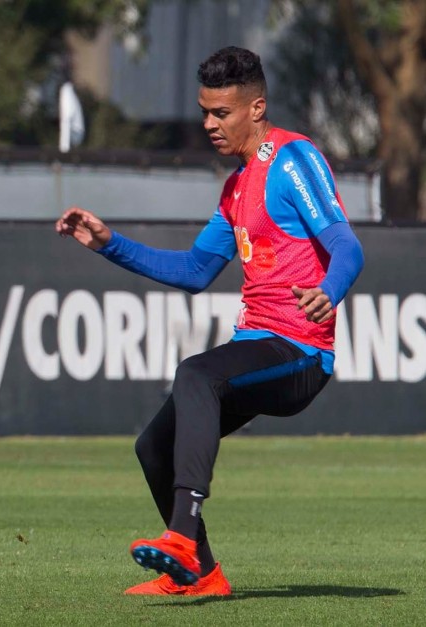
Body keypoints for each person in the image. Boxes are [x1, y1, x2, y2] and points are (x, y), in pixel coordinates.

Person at [56, 46, 364, 596]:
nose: (208, 124)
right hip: (259, 343)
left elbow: (346, 245)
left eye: (220, 113)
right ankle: (201, 572)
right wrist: (109, 244)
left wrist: (328, 291)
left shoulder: (292, 159)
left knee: (197, 375)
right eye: (205, 111)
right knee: (154, 446)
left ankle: (179, 535)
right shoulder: (236, 188)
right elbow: (196, 269)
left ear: (256, 107)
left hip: (300, 353)